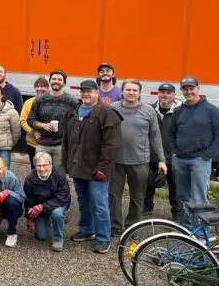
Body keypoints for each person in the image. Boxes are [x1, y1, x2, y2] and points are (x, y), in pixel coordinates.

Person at [62, 80, 122, 254]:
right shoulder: (74, 111)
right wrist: (65, 161)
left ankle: (104, 238)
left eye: (89, 91)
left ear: (97, 93)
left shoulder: (106, 113)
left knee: (99, 202)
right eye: (83, 91)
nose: (86, 94)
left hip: (97, 169)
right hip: (77, 165)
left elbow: (111, 144)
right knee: (83, 200)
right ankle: (88, 230)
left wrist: (103, 167)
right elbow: (66, 139)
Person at [109, 79, 166, 237]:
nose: (131, 93)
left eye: (135, 90)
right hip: (116, 161)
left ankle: (131, 226)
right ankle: (115, 225)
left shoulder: (148, 111)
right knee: (113, 195)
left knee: (137, 196)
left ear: (140, 93)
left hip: (140, 161)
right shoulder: (113, 108)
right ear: (122, 91)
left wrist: (161, 159)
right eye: (128, 90)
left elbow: (155, 136)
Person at [169, 77, 219, 225]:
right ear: (182, 90)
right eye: (185, 88)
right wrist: (174, 152)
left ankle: (201, 234)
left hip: (200, 160)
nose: (188, 91)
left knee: (199, 199)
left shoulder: (211, 110)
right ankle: (186, 228)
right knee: (182, 197)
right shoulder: (179, 111)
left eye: (191, 88)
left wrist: (207, 155)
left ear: (198, 88)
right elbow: (171, 133)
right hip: (180, 159)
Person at [27, 70, 78, 175]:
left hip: (61, 145)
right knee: (40, 173)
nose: (56, 81)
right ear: (50, 81)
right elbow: (30, 119)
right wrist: (42, 125)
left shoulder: (72, 101)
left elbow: (76, 123)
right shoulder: (40, 100)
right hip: (43, 144)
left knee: (59, 175)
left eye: (59, 79)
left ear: (64, 83)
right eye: (54, 79)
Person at [143, 83, 182, 217]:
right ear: (158, 94)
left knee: (174, 186)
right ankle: (146, 207)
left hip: (173, 156)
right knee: (148, 183)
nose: (165, 95)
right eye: (162, 92)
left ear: (174, 95)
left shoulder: (180, 111)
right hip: (152, 155)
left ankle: (177, 211)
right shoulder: (150, 109)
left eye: (168, 92)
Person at [23, 152, 71, 252]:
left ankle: (58, 238)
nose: (42, 168)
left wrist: (42, 206)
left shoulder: (59, 175)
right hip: (41, 209)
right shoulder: (29, 180)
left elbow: (63, 196)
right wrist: (30, 218)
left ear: (50, 165)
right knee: (41, 236)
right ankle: (47, 219)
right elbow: (29, 201)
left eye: (45, 165)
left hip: (58, 204)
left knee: (57, 214)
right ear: (35, 166)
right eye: (39, 165)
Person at [20, 76, 49, 169]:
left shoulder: (51, 102)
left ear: (48, 88)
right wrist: (33, 132)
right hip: (32, 143)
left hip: (48, 144)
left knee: (48, 168)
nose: (40, 89)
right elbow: (23, 120)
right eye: (37, 86)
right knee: (34, 168)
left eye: (43, 86)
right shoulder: (28, 102)